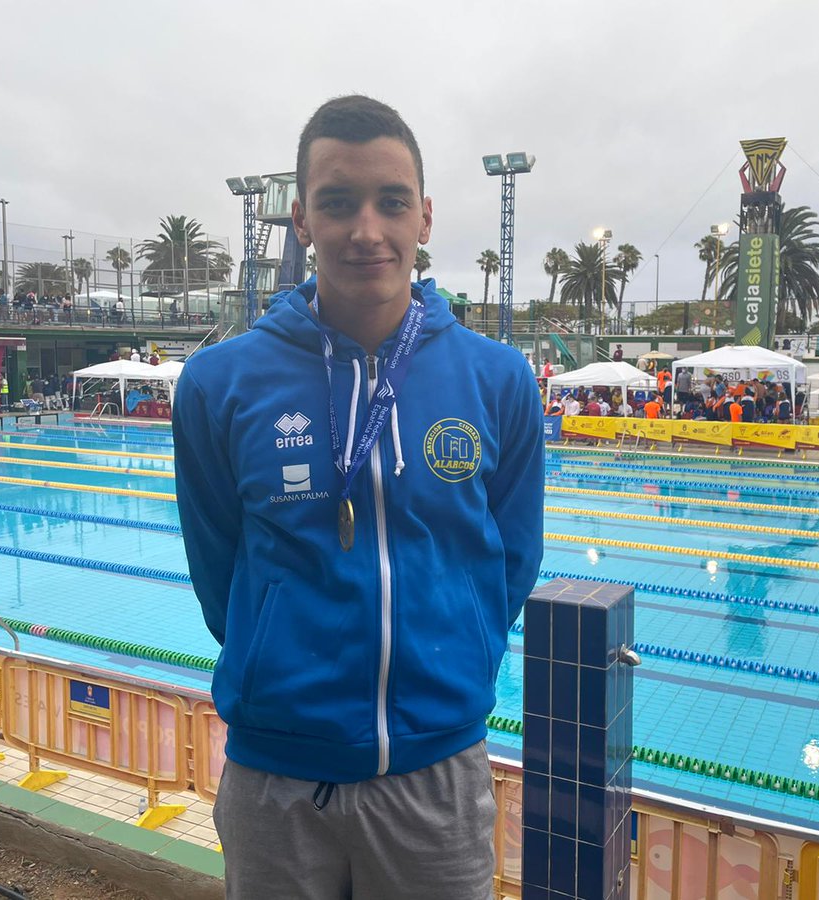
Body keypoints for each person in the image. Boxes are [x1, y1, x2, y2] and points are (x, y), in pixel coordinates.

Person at [172, 95, 543, 899]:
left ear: (426, 217)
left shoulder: (499, 380)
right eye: (337, 204)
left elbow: (511, 560)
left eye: (391, 202)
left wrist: (458, 654)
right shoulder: (218, 384)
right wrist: (278, 664)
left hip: (435, 771)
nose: (365, 229)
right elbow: (217, 568)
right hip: (277, 777)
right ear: (302, 219)